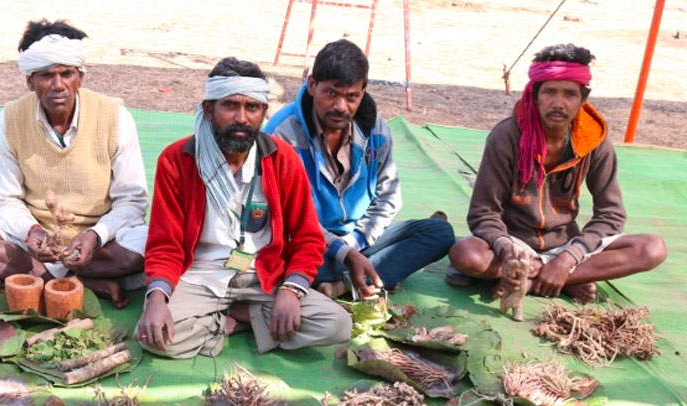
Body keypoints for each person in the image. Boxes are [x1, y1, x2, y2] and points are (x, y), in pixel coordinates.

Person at [135, 57, 352, 359]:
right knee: (154, 337)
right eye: (230, 106)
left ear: (264, 113)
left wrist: (291, 291)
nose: (242, 117)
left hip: (261, 277)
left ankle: (235, 317)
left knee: (337, 324)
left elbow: (308, 237)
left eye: (252, 107)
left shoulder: (282, 159)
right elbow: (165, 244)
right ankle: (241, 319)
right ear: (209, 109)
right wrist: (157, 299)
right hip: (199, 276)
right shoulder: (177, 159)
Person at [0, 19, 148, 308]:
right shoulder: (9, 120)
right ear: (30, 81)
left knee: (153, 246)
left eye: (66, 74)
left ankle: (40, 280)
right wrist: (32, 232)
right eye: (46, 76)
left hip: (100, 241)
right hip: (37, 238)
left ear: (81, 77)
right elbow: (6, 201)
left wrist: (94, 236)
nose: (58, 85)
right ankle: (81, 283)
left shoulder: (115, 117)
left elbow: (132, 200)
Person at [447, 43, 667, 303]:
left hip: (567, 245)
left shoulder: (593, 140)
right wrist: (506, 250)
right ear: (534, 94)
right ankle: (557, 279)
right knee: (466, 254)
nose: (558, 103)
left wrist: (567, 259)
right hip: (515, 245)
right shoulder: (507, 136)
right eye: (549, 92)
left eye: (570, 94)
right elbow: (484, 212)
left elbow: (611, 214)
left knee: (652, 249)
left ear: (583, 99)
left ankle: (535, 280)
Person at [265, 39, 454, 300]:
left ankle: (343, 285)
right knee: (271, 262)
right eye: (331, 93)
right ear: (311, 85)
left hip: (358, 239)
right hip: (306, 243)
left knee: (439, 232)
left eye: (351, 96)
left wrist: (354, 243)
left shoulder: (376, 131)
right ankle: (373, 275)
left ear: (363, 92)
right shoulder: (281, 134)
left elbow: (387, 197)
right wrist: (343, 252)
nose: (341, 106)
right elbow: (286, 215)